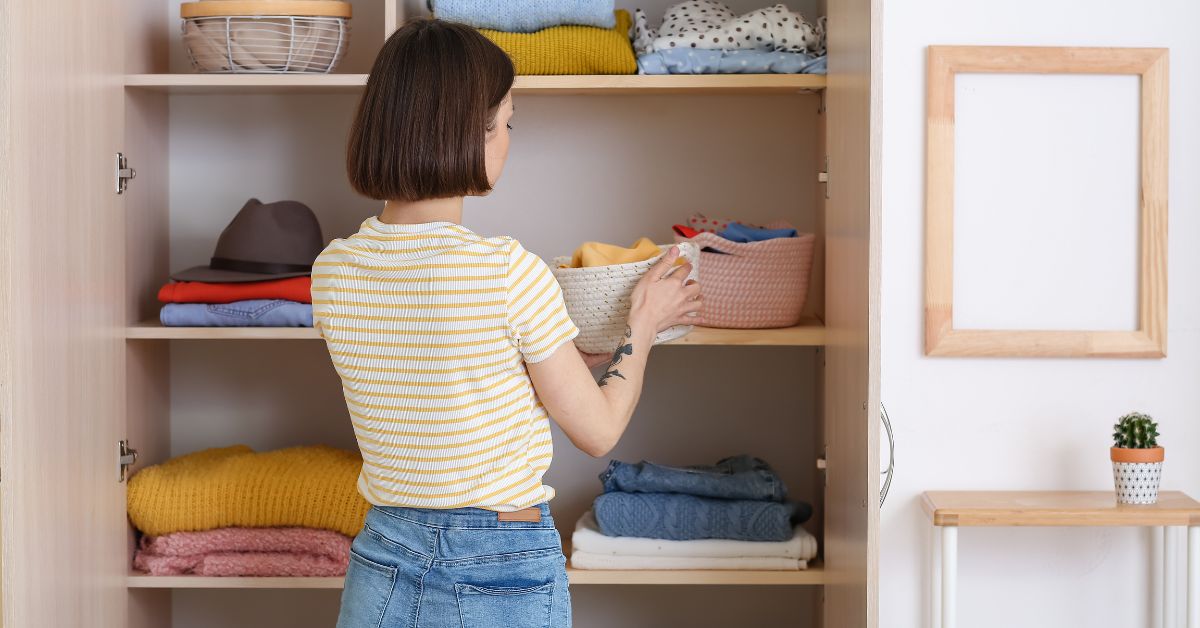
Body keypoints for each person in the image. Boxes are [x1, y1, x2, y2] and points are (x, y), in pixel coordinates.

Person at [313, 18, 701, 628]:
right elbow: (598, 433)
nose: (509, 139)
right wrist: (644, 325)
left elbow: (444, 391)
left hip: (381, 559)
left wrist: (561, 368)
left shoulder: (331, 271)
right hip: (496, 564)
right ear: (473, 131)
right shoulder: (505, 271)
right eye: (508, 121)